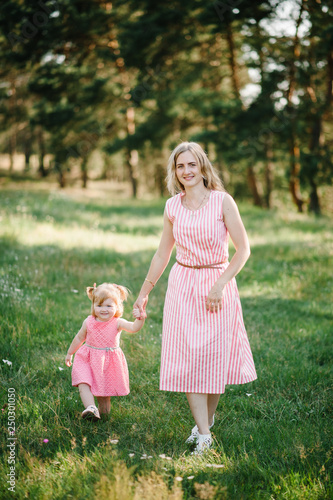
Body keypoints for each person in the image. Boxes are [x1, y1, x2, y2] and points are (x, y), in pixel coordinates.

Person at [133, 141, 257, 454]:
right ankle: (204, 434)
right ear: (174, 172)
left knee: (214, 359)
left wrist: (220, 284)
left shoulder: (222, 202)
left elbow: (243, 250)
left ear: (202, 167)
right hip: (183, 284)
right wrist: (144, 293)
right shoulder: (172, 206)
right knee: (190, 360)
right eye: (180, 166)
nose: (186, 171)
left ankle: (206, 421)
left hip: (217, 285)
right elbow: (163, 252)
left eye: (191, 164)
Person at [65, 282, 145, 421]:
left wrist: (140, 318)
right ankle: (90, 407)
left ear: (117, 307)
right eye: (99, 305)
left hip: (106, 362)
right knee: (83, 382)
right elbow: (79, 338)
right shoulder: (89, 321)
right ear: (93, 306)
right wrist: (70, 353)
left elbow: (133, 327)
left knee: (103, 395)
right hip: (87, 358)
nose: (104, 309)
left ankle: (103, 418)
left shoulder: (117, 322)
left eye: (109, 306)